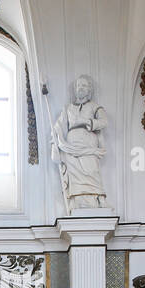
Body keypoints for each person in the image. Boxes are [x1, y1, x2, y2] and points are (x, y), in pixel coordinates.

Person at [50, 74, 109, 212]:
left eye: (84, 85)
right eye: (78, 85)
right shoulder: (68, 108)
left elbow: (104, 121)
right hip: (71, 147)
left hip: (89, 145)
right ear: (75, 90)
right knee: (74, 176)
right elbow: (59, 125)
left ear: (89, 90)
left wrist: (87, 122)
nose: (80, 88)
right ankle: (75, 201)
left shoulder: (95, 107)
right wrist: (55, 135)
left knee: (92, 170)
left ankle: (99, 199)